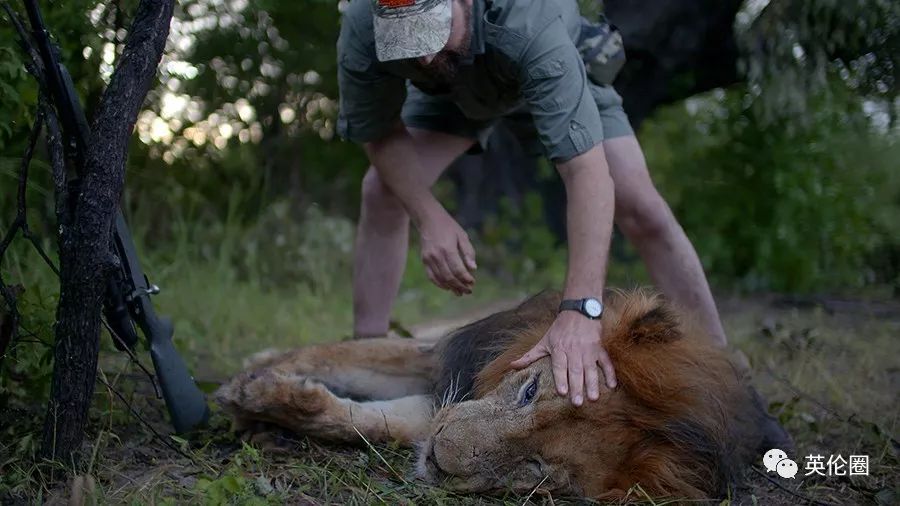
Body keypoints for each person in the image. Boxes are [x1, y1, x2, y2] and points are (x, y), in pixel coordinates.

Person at [337, 0, 729, 408]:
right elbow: (380, 132)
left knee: (642, 208)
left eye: (432, 31)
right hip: (456, 90)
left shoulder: (529, 20)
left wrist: (580, 312)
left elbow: (587, 173)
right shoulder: (365, 26)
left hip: (556, 62)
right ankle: (365, 351)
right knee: (380, 192)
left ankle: (723, 369)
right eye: (407, 39)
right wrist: (429, 215)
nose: (424, 55)